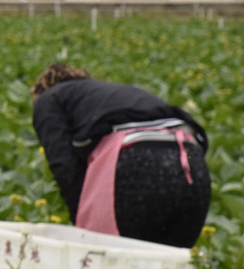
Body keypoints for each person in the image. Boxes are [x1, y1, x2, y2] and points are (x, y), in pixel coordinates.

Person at [30, 63, 211, 247]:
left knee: (113, 266)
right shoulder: (112, 94)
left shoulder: (49, 99)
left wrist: (82, 230)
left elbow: (65, 166)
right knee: (170, 267)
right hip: (191, 163)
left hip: (139, 162)